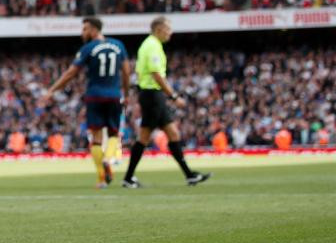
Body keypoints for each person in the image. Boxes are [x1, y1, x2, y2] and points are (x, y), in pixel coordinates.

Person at [122, 17, 211, 188]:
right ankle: (128, 178)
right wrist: (174, 96)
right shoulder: (153, 46)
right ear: (158, 29)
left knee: (173, 134)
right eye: (168, 29)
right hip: (152, 95)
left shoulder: (150, 44)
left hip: (152, 95)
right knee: (144, 138)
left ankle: (190, 175)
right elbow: (157, 75)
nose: (170, 32)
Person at [45, 16, 129, 188]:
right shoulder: (118, 45)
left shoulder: (88, 48)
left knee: (96, 138)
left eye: (84, 29)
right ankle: (108, 158)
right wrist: (125, 93)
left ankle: (101, 180)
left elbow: (71, 73)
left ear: (93, 30)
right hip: (114, 95)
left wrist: (52, 90)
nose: (82, 33)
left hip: (94, 96)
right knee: (114, 134)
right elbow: (126, 71)